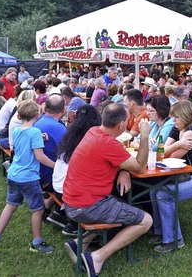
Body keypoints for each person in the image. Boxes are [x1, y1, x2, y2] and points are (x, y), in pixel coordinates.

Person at [63, 104, 153, 276]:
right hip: (87, 206)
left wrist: (124, 170)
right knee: (146, 221)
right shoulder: (108, 143)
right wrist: (144, 136)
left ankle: (78, 244)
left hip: (72, 201)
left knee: (119, 205)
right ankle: (96, 257)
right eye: (126, 121)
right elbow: (140, 167)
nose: (128, 124)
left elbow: (109, 157)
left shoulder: (94, 131)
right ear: (120, 125)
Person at [0, 100, 57, 253]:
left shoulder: (17, 130)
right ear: (38, 115)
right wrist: (56, 166)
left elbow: (25, 143)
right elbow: (40, 157)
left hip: (13, 174)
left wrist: (40, 138)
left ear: (18, 115)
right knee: (38, 210)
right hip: (28, 178)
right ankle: (37, 242)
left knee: (10, 205)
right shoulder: (34, 132)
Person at [147, 101, 192, 252]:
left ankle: (174, 239)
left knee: (164, 194)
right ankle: (160, 233)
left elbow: (173, 156)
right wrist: (177, 145)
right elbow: (162, 153)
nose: (174, 120)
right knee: (154, 191)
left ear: (185, 116)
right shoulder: (176, 129)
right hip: (190, 174)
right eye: (173, 117)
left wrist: (173, 147)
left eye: (176, 117)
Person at [51, 105, 101, 236]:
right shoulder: (90, 139)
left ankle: (60, 213)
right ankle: (75, 225)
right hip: (68, 193)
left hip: (57, 187)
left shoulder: (70, 135)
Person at [33, 94, 68, 227]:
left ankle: (48, 206)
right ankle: (62, 214)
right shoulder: (58, 128)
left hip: (38, 173)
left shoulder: (40, 121)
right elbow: (70, 153)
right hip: (49, 178)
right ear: (63, 110)